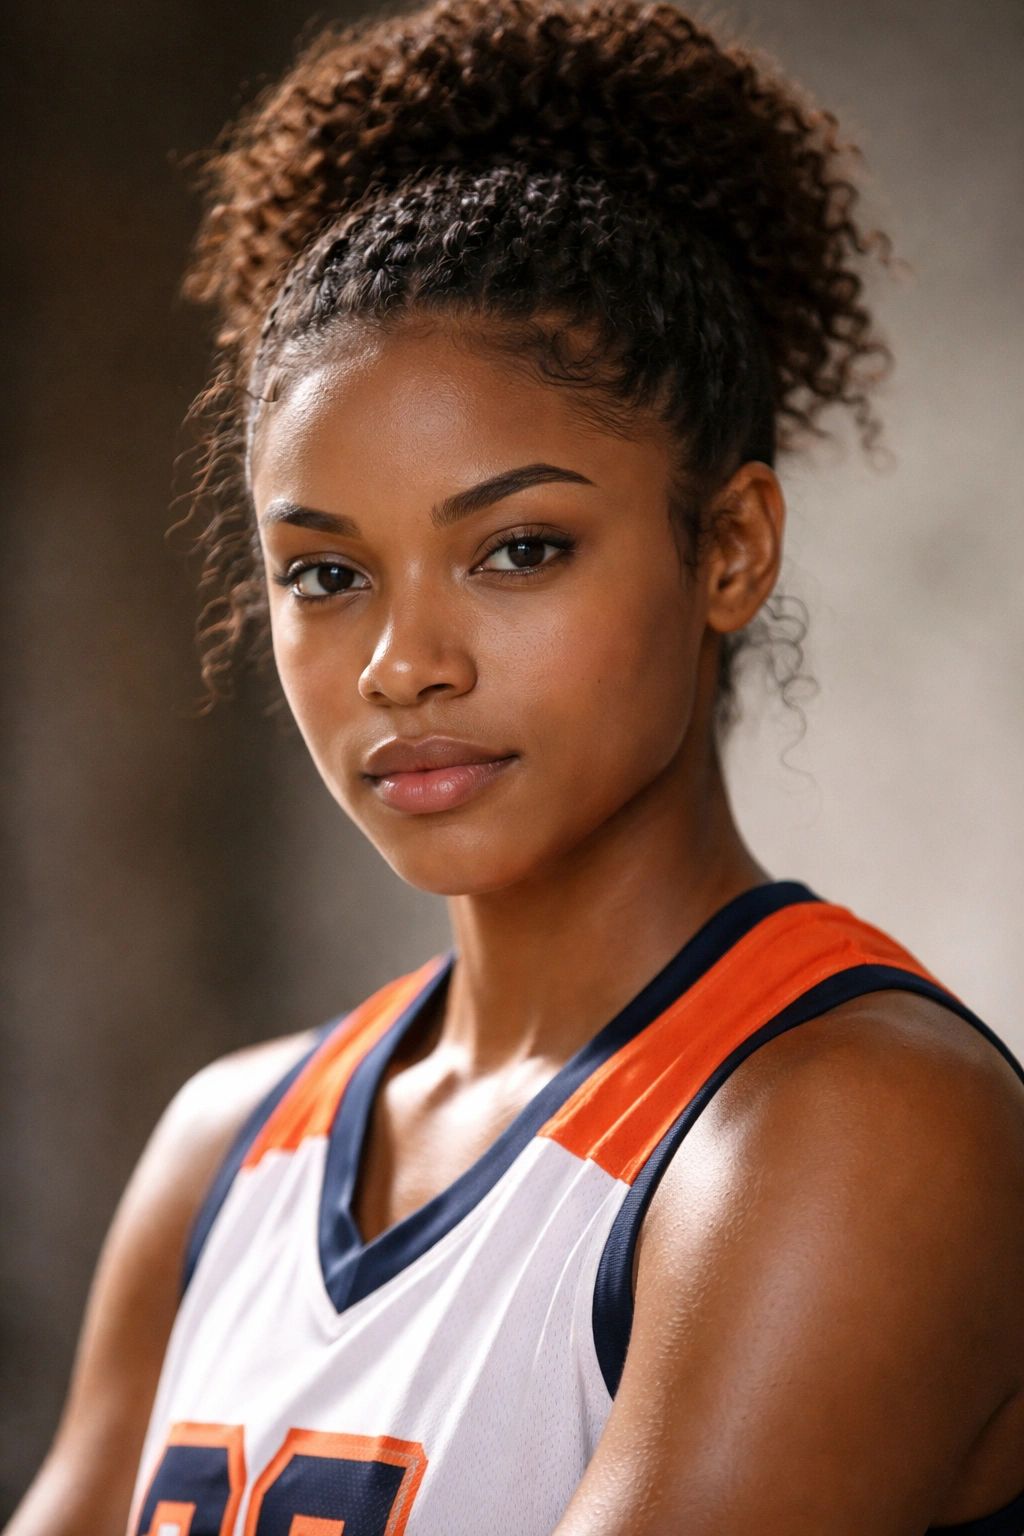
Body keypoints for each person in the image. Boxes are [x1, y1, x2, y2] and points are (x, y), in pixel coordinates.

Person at [8, 1, 1024, 1532]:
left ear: (731, 547)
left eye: (519, 549)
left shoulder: (843, 1129)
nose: (402, 663)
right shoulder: (228, 1153)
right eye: (325, 574)